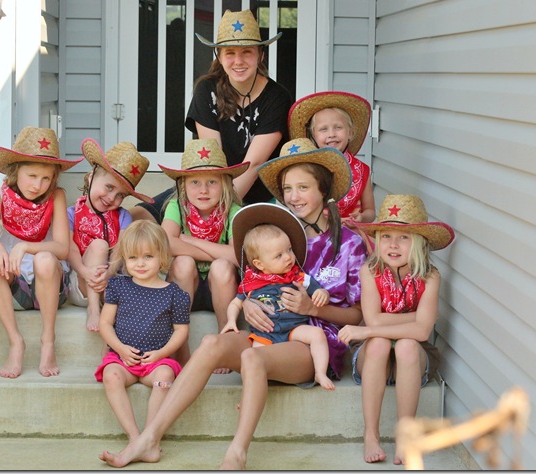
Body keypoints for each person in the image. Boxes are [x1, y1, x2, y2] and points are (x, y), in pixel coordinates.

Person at [98, 138, 368, 469]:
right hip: (266, 331)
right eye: (287, 189)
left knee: (252, 357)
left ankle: (237, 453)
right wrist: (250, 303)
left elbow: (358, 315)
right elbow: (255, 280)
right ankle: (148, 439)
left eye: (303, 187)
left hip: (312, 342)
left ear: (323, 189)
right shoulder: (275, 230)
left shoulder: (349, 244)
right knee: (212, 343)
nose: (293, 196)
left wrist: (314, 309)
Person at [130, 9, 291, 224]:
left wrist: (219, 215)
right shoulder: (207, 90)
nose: (238, 61)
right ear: (219, 56)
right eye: (230, 53)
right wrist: (204, 208)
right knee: (136, 217)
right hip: (206, 189)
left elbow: (254, 164)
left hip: (253, 194)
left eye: (247, 52)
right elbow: (212, 161)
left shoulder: (277, 97)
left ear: (261, 55)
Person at [337, 194, 455, 465]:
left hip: (412, 359)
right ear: (377, 240)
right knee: (379, 344)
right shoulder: (370, 271)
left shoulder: (430, 276)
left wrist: (366, 331)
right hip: (374, 358)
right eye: (386, 236)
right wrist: (413, 320)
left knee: (407, 345)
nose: (393, 244)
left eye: (403, 237)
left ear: (419, 242)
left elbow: (422, 333)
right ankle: (371, 434)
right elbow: (375, 320)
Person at [0, 127, 82, 378]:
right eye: (32, 176)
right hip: (16, 289)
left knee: (45, 259)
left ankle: (48, 341)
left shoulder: (56, 197)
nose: (38, 185)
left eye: (46, 178)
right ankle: (16, 342)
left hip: (51, 287)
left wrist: (26, 246)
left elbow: (62, 248)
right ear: (16, 171)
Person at [96, 219, 191, 444]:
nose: (140, 263)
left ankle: (150, 435)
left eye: (148, 256)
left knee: (165, 378)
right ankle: (134, 436)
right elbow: (105, 324)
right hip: (123, 359)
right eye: (133, 257)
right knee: (111, 375)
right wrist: (120, 349)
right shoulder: (119, 287)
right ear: (125, 259)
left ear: (162, 256)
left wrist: (161, 354)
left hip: (156, 361)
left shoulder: (174, 294)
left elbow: (181, 331)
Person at [225, 203, 334, 390]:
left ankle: (320, 372)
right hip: (265, 334)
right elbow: (236, 303)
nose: (288, 257)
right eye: (279, 255)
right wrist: (230, 320)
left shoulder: (297, 276)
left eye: (289, 250)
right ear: (260, 264)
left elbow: (318, 289)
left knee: (317, 334)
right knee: (253, 359)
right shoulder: (252, 282)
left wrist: (321, 294)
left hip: (294, 329)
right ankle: (250, 392)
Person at [158, 138, 245, 370]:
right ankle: (180, 343)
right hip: (187, 287)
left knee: (222, 267)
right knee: (183, 263)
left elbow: (237, 256)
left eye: (212, 182)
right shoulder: (177, 206)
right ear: (183, 185)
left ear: (225, 183)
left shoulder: (233, 211)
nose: (203, 190)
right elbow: (165, 243)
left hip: (223, 289)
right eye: (195, 182)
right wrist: (218, 253)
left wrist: (189, 240)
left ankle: (225, 340)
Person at [66, 139, 153, 332]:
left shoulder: (123, 216)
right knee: (100, 246)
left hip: (111, 279)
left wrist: (108, 273)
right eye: (109, 187)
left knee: (122, 282)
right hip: (81, 282)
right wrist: (85, 272)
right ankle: (93, 308)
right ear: (91, 177)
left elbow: (121, 251)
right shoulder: (72, 213)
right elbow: (70, 249)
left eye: (121, 195)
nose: (112, 198)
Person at [288, 91, 375, 224]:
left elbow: (370, 211)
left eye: (338, 127)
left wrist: (362, 218)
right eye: (323, 129)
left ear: (350, 133)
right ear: (313, 136)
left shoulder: (362, 170)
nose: (331, 134)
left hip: (351, 233)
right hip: (317, 231)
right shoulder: (307, 169)